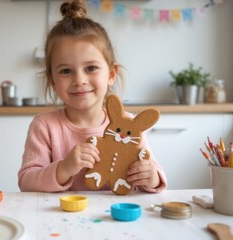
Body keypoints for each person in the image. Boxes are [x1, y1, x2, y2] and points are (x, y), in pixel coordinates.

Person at [18, 0, 167, 193]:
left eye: (90, 68)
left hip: (116, 220)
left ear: (111, 74)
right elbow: (26, 181)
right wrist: (64, 168)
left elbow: (154, 176)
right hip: (60, 219)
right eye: (65, 71)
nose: (79, 80)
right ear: (52, 81)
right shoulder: (44, 126)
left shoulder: (130, 126)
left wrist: (151, 177)